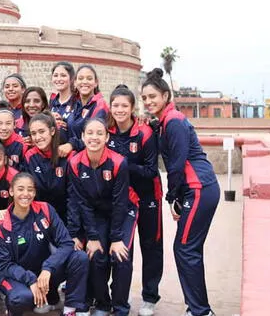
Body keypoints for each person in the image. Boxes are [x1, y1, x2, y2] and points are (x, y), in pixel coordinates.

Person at [142, 68, 219, 316]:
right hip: (197, 189)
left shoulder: (173, 121)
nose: (148, 101)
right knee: (188, 249)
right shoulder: (166, 122)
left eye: (153, 96)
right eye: (144, 98)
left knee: (185, 248)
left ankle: (200, 310)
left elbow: (176, 164)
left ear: (165, 95)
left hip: (197, 187)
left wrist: (171, 198)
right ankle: (197, 308)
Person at [67, 118, 139, 316]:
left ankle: (121, 306)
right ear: (82, 136)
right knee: (96, 254)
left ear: (107, 137)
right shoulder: (74, 163)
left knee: (120, 256)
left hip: (123, 211)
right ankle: (103, 303)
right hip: (95, 213)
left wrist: (116, 238)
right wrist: (91, 236)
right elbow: (81, 202)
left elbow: (120, 202)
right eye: (89, 133)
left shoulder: (118, 162)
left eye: (100, 133)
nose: (94, 137)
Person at [0, 173, 90, 316]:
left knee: (79, 258)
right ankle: (13, 304)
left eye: (30, 189)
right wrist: (30, 279)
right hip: (17, 276)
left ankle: (69, 310)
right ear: (11, 191)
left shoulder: (45, 209)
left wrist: (48, 268)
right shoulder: (1, 224)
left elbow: (66, 243)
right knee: (21, 299)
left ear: (35, 192)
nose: (26, 194)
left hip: (44, 272)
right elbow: (4, 265)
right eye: (20, 189)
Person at [106, 85, 164, 316]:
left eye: (124, 105)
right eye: (115, 105)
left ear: (132, 108)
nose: (119, 110)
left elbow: (151, 170)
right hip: (122, 200)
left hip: (148, 196)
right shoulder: (106, 130)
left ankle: (149, 297)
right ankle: (118, 296)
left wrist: (121, 165)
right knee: (122, 248)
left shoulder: (144, 133)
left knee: (151, 247)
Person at [25, 112, 71, 222]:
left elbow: (73, 198)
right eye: (34, 133)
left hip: (66, 217)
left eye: (42, 132)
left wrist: (73, 231)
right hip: (40, 217)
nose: (38, 137)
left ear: (52, 131)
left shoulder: (67, 155)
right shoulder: (29, 156)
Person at [59, 65, 109, 156]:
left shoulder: (100, 105)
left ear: (96, 83)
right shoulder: (74, 103)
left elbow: (95, 136)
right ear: (75, 82)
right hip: (71, 157)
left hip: (89, 159)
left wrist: (71, 144)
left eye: (89, 78)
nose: (85, 82)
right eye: (81, 78)